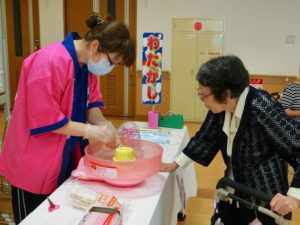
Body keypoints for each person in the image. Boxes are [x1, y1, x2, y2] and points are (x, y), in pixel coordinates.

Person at [0, 12, 135, 224]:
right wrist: (91, 131)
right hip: (33, 163)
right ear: (94, 46)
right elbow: (46, 118)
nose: (110, 68)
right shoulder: (49, 61)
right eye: (112, 61)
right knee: (34, 219)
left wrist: (103, 124)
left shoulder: (88, 67)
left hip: (64, 156)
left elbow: (92, 105)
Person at [161, 55, 300, 225]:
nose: (202, 100)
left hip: (264, 200)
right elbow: (206, 137)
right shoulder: (221, 108)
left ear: (225, 94)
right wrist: (175, 163)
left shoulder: (262, 106)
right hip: (233, 193)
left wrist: (294, 197)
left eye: (203, 95)